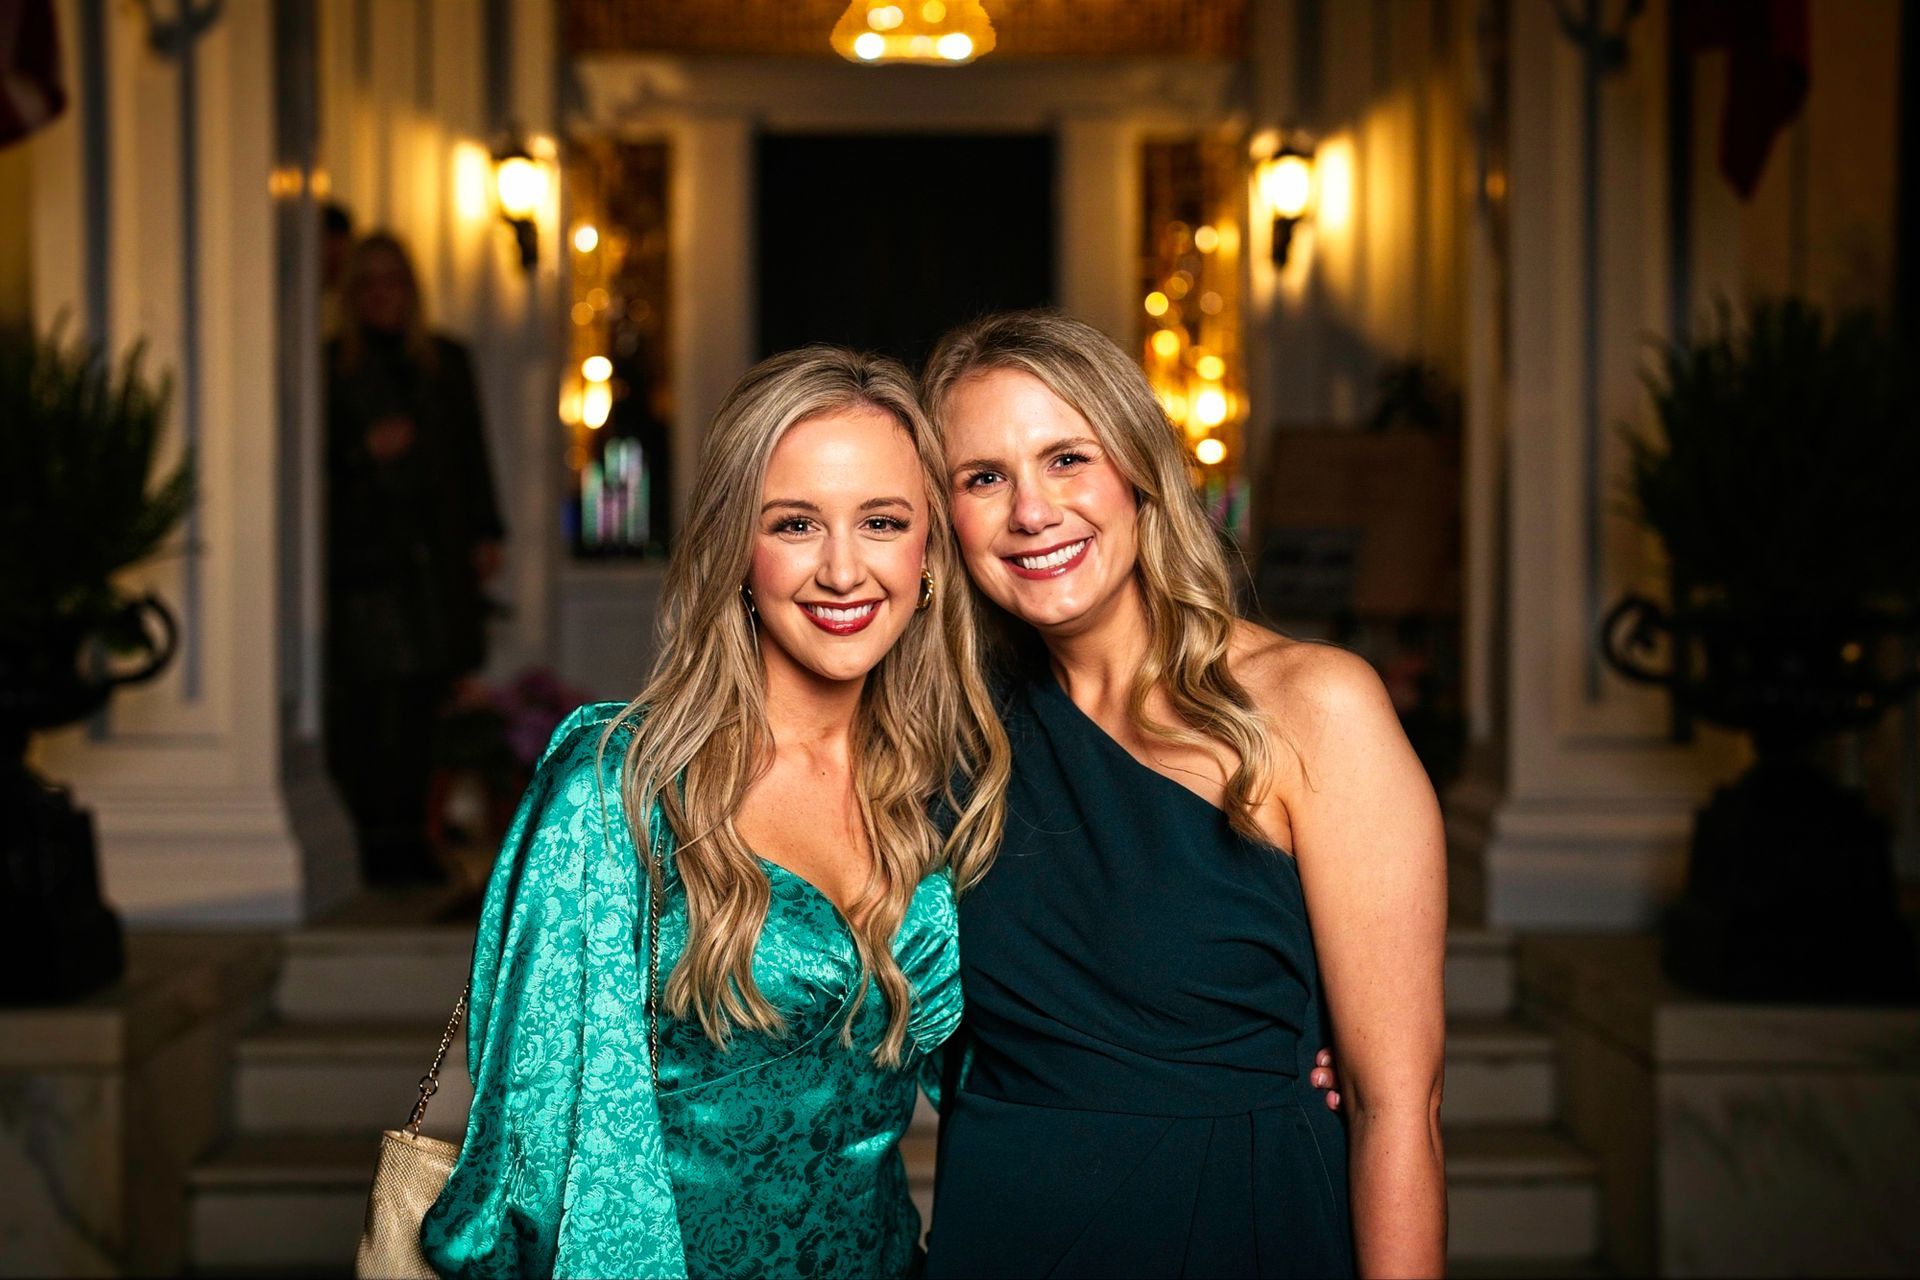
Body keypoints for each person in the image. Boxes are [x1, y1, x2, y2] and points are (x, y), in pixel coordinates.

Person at [419, 347, 1009, 1279]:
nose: (844, 570)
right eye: (796, 524)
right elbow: (541, 1157)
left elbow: (1027, 1070)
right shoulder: (618, 788)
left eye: (883, 522)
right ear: (738, 548)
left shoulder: (946, 792)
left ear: (930, 553)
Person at [920, 311, 1447, 1279]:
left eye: (1068, 457)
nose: (1031, 510)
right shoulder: (948, 737)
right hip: (1004, 1228)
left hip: (1242, 1218)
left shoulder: (1312, 704)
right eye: (983, 477)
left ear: (1139, 472)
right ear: (944, 517)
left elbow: (1396, 1105)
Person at [324, 232, 506, 885]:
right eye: (367, 283)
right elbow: (310, 481)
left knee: (431, 700)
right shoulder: (332, 369)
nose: (381, 295)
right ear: (352, 296)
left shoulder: (445, 363)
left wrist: (486, 533)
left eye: (392, 281)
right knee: (375, 710)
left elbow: (471, 456)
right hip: (369, 568)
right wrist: (363, 454)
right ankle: (381, 843)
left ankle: (410, 840)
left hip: (436, 564)